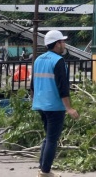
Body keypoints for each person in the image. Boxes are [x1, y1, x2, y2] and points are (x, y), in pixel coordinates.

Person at [31, 30, 79, 177]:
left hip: (40, 105)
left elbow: (32, 85)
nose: (64, 44)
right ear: (57, 44)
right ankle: (45, 172)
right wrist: (69, 108)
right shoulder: (58, 61)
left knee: (48, 136)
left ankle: (42, 167)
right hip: (54, 106)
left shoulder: (38, 60)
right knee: (52, 139)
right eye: (62, 41)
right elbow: (62, 87)